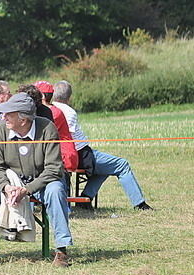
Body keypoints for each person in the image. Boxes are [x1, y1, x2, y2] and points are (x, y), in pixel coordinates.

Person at [0, 93, 73, 268]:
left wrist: (27, 189)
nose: (3, 117)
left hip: (42, 181)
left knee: (56, 191)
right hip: (9, 182)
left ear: (23, 119)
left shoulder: (48, 129)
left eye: (8, 114)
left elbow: (54, 169)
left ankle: (61, 251)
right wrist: (6, 187)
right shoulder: (0, 130)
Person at [51, 80, 152, 211]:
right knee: (121, 165)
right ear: (69, 97)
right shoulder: (68, 112)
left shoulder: (51, 109)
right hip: (78, 155)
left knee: (106, 166)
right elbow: (69, 140)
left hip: (68, 155)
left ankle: (85, 198)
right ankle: (140, 204)